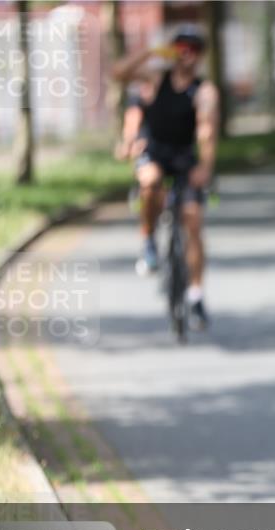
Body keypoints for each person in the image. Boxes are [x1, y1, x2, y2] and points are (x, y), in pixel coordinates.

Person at [112, 25, 219, 330]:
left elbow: (207, 132)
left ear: (201, 55)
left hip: (185, 157)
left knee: (193, 219)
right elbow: (119, 74)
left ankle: (196, 296)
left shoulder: (204, 91)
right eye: (181, 47)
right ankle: (148, 240)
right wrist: (150, 52)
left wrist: (205, 167)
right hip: (155, 151)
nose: (187, 54)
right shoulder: (156, 78)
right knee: (150, 182)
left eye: (194, 49)